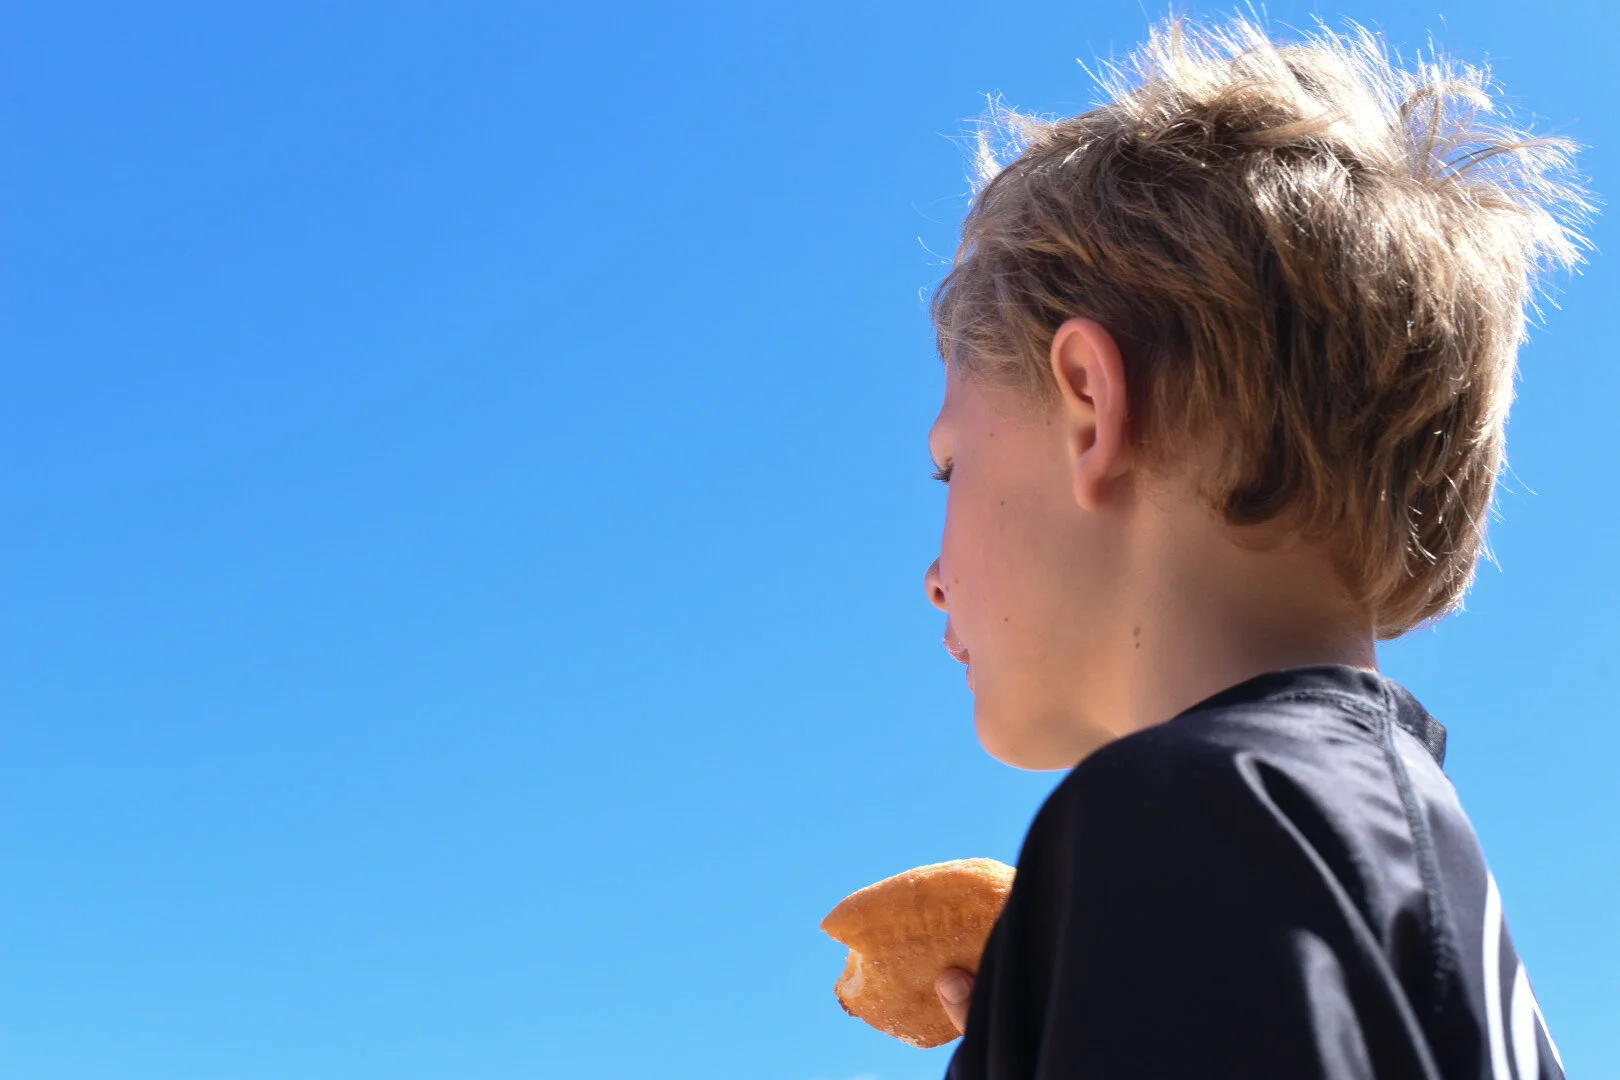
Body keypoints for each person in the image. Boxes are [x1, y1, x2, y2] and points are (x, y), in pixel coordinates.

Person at [917, 16, 1588, 1079]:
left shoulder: (1187, 817)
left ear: (1089, 406)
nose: (932, 577)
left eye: (950, 467)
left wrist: (1129, 922)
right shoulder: (1397, 853)